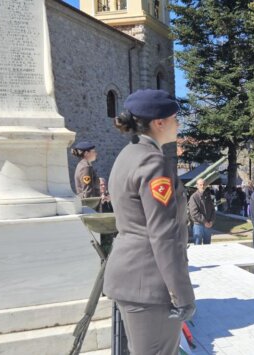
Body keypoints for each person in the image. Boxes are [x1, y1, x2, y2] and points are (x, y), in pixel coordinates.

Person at [103, 89, 195, 355]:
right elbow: (164, 234)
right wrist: (182, 294)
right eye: (176, 118)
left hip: (132, 277)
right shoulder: (153, 162)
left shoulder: (128, 154)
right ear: (159, 122)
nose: (179, 125)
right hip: (150, 284)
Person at [188, 178, 215, 245]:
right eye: (200, 185)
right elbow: (194, 213)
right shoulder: (193, 197)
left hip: (208, 225)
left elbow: (213, 210)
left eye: (203, 184)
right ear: (197, 186)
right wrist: (204, 221)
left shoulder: (208, 196)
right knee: (197, 247)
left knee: (207, 246)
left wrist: (212, 221)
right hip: (198, 225)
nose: (202, 186)